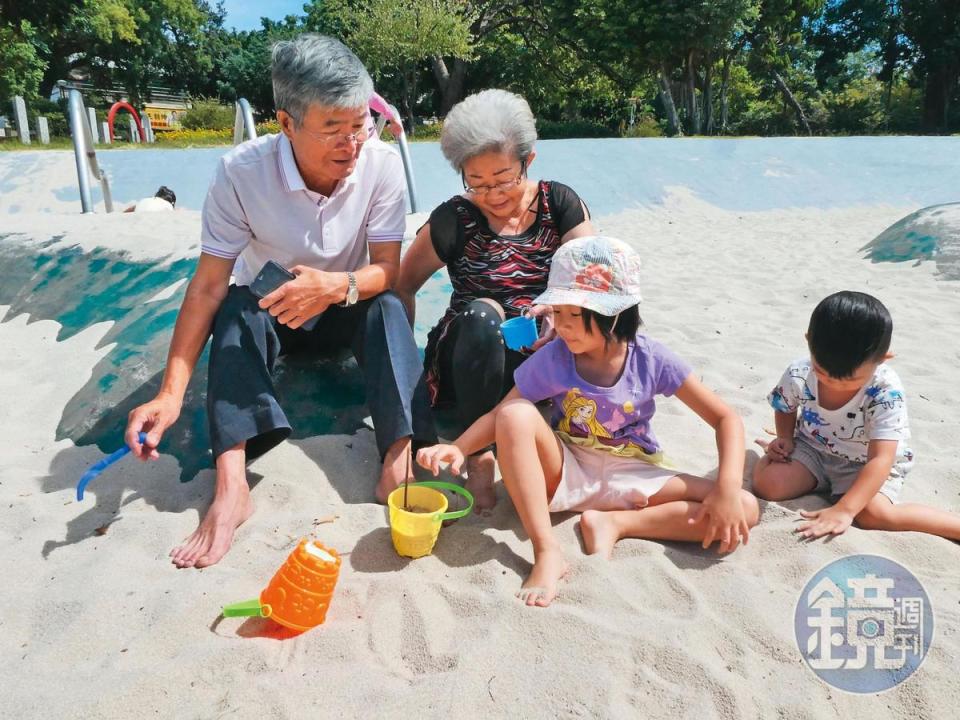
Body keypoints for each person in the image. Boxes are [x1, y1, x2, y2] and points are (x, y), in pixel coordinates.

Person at [124, 34, 435, 569]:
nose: (351, 143)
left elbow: (388, 270)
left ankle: (397, 459)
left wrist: (335, 286)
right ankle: (231, 487)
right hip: (274, 305)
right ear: (286, 124)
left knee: (385, 308)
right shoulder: (240, 173)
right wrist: (171, 393)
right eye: (332, 129)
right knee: (236, 308)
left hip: (345, 302)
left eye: (359, 124)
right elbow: (206, 285)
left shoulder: (380, 165)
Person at [417, 236, 760, 607]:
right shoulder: (556, 357)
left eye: (574, 316)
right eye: (557, 312)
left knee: (744, 507)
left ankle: (617, 524)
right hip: (568, 469)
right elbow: (502, 413)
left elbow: (726, 417)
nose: (562, 327)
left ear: (613, 314)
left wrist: (725, 488)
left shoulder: (651, 358)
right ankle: (547, 550)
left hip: (633, 471)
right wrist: (457, 448)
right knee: (516, 414)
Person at [396, 89, 594, 510]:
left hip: (542, 354)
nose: (494, 194)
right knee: (485, 314)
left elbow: (593, 281)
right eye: (478, 183)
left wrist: (560, 310)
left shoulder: (559, 205)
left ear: (529, 160)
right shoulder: (454, 219)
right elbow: (403, 285)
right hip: (469, 354)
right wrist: (406, 370)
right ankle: (479, 457)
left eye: (505, 178)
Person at [753, 291, 960, 540]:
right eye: (822, 373)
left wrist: (845, 509)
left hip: (865, 463)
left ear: (883, 359)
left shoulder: (885, 391)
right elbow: (785, 405)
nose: (835, 383)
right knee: (768, 486)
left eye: (850, 379)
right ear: (809, 342)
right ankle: (782, 460)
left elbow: (880, 459)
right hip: (813, 448)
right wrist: (785, 438)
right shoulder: (800, 371)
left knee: (874, 515)